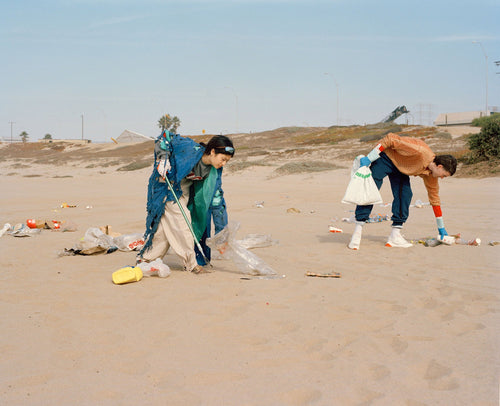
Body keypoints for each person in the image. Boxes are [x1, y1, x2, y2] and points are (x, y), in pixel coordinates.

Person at [137, 131, 235, 273]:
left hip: (183, 189)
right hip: (167, 186)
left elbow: (217, 200)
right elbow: (165, 137)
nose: (223, 163)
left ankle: (146, 258)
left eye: (227, 161)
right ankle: (191, 264)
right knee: (182, 222)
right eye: (223, 159)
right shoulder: (189, 148)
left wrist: (221, 233)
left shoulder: (215, 171)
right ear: (213, 151)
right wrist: (163, 158)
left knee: (165, 226)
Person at [347, 132, 457, 250]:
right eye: (444, 175)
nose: (442, 178)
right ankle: (357, 231)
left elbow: (434, 198)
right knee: (371, 189)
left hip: (401, 169)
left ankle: (395, 236)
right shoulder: (419, 151)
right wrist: (370, 157)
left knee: (405, 195)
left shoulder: (431, 175)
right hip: (386, 158)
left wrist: (441, 227)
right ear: (440, 167)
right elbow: (390, 139)